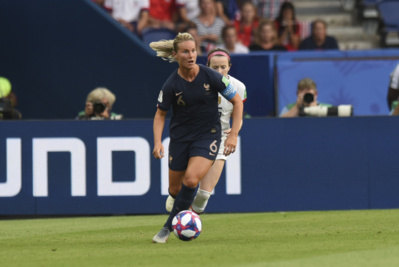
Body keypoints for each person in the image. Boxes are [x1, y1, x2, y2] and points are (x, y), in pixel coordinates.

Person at [150, 32, 243, 243]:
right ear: (176, 55)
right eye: (186, 51)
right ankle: (178, 202)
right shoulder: (171, 85)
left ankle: (166, 228)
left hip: (207, 136)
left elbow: (238, 102)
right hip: (181, 139)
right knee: (175, 189)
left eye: (193, 50)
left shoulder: (211, 76)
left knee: (191, 180)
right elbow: (160, 115)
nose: (191, 55)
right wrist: (157, 142)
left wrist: (233, 135)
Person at [165, 48, 247, 215]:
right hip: (195, 136)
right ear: (206, 66)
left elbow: (238, 113)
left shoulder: (238, 87)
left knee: (203, 196)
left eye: (223, 67)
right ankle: (176, 202)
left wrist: (234, 133)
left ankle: (187, 222)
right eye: (214, 68)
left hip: (220, 137)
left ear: (229, 66)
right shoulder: (197, 81)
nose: (219, 71)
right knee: (182, 186)